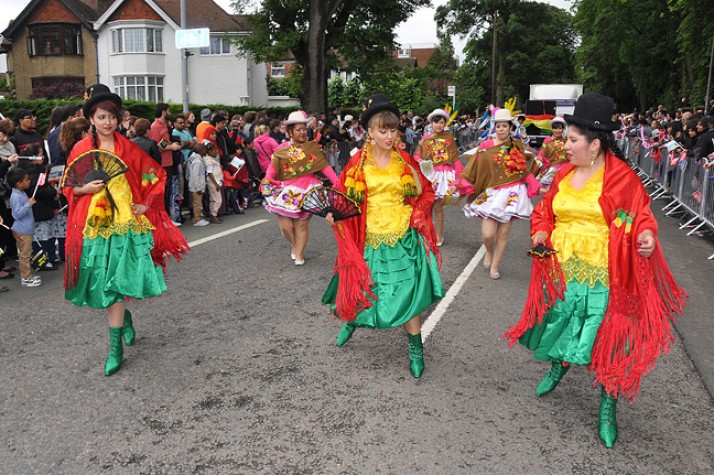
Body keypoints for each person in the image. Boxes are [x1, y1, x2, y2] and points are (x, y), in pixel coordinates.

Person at [504, 93, 686, 448]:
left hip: (605, 272)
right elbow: (544, 212)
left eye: (572, 140)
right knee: (562, 319)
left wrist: (646, 235)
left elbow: (642, 214)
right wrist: (540, 231)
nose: (565, 146)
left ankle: (608, 404)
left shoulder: (622, 178)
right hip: (562, 267)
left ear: (595, 143)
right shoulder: (562, 175)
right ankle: (560, 364)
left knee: (606, 337)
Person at [63, 84, 188, 376]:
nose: (108, 123)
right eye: (102, 117)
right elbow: (68, 188)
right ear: (91, 119)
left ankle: (114, 348)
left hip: (125, 224)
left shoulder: (128, 148)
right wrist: (85, 188)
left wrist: (145, 203)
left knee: (115, 285)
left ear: (119, 119)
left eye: (112, 117)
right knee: (104, 283)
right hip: (94, 225)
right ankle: (124, 319)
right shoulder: (81, 149)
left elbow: (154, 174)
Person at [321, 94, 444, 378]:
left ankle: (416, 349)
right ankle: (351, 320)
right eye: (383, 130)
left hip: (402, 236)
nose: (390, 136)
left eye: (393, 129)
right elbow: (341, 196)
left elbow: (427, 192)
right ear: (369, 132)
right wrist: (332, 213)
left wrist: (417, 214)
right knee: (363, 286)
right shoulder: (357, 164)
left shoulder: (406, 161)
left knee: (407, 293)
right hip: (368, 236)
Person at [461, 108, 538, 279]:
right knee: (488, 234)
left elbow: (523, 169)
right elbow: (474, 165)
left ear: (511, 127)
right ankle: (489, 251)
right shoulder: (485, 146)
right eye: (498, 126)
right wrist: (465, 182)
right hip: (491, 192)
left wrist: (535, 184)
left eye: (505, 126)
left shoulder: (516, 146)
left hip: (512, 192)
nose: (501, 129)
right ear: (494, 127)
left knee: (503, 233)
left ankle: (495, 266)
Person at [261, 110, 339, 265]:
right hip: (287, 190)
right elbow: (272, 168)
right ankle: (295, 245)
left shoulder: (312, 147)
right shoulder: (281, 149)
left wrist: (338, 183)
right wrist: (266, 182)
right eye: (298, 129)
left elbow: (324, 167)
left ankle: (299, 254)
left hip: (309, 188)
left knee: (301, 224)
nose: (303, 132)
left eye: (304, 129)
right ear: (290, 132)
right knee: (285, 226)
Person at [414, 108, 465, 246]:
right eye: (436, 122)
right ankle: (427, 234)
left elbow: (455, 159)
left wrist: (458, 179)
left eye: (441, 122)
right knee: (426, 206)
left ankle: (439, 235)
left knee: (437, 206)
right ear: (431, 123)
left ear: (444, 124)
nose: (438, 125)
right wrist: (420, 161)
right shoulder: (425, 139)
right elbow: (417, 155)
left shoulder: (449, 139)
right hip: (428, 174)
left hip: (442, 175)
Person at [8, 167, 42, 287]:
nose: (29, 182)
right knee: (25, 255)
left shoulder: (21, 193)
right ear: (19, 183)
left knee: (26, 253)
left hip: (25, 228)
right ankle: (26, 278)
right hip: (22, 230)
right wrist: (28, 204)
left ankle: (28, 276)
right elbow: (17, 214)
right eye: (26, 180)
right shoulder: (16, 196)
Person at [534, 117, 568, 193]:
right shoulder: (547, 140)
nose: (558, 130)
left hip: (563, 169)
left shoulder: (566, 140)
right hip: (549, 169)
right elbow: (541, 155)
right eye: (555, 128)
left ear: (563, 129)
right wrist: (539, 167)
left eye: (560, 128)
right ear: (552, 129)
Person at [187, 143, 209, 227]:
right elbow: (195, 175)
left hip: (196, 185)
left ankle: (198, 217)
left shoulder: (196, 159)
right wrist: (199, 187)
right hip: (196, 187)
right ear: (200, 150)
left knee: (198, 203)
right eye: (203, 149)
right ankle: (197, 219)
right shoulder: (198, 161)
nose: (205, 150)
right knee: (197, 203)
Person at [202, 138, 223, 224]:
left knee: (213, 199)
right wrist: (215, 184)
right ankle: (213, 214)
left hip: (216, 181)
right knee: (217, 200)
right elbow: (210, 173)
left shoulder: (212, 159)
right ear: (209, 151)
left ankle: (213, 215)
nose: (215, 152)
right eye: (214, 151)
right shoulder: (208, 161)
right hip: (214, 182)